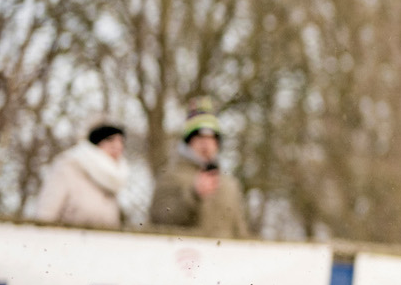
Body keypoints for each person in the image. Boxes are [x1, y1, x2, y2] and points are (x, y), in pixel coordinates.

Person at [148, 98, 250, 238]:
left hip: (224, 258)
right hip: (184, 256)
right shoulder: (169, 177)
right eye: (200, 138)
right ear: (189, 142)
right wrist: (193, 195)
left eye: (211, 139)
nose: (206, 145)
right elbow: (159, 220)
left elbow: (240, 231)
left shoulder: (229, 185)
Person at [32, 119, 129, 229]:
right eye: (110, 140)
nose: (118, 146)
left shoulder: (114, 177)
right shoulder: (68, 166)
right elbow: (47, 211)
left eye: (121, 141)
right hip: (66, 238)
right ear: (96, 143)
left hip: (102, 240)